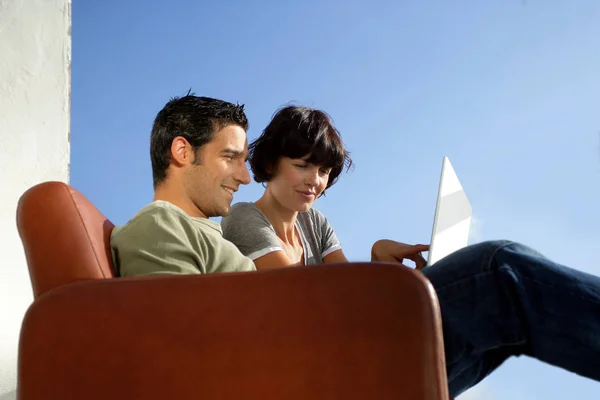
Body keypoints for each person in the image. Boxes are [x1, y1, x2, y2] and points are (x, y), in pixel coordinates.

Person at [111, 95, 600, 398]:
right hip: (321, 368)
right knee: (498, 271)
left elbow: (333, 296)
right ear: (182, 152)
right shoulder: (171, 226)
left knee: (501, 324)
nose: (243, 174)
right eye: (231, 159)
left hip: (336, 355)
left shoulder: (224, 235)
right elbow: (290, 307)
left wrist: (383, 271)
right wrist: (381, 280)